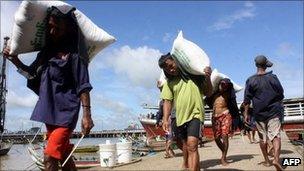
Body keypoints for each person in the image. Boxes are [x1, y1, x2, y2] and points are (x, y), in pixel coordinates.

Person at [3, 6, 94, 170]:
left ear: (67, 27)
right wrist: (14, 59)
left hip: (66, 114)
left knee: (49, 157)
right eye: (50, 27)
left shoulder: (75, 54)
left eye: (57, 28)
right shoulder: (46, 52)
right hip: (49, 111)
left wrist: (87, 115)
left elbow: (83, 85)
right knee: (64, 153)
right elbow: (32, 74)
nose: (52, 31)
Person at [159, 53, 212, 171]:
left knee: (192, 145)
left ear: (177, 60)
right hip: (180, 117)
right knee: (186, 146)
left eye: (171, 65)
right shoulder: (170, 82)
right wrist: (165, 119)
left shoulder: (195, 75)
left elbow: (208, 92)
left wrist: (208, 77)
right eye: (166, 69)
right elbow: (167, 101)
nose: (170, 69)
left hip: (196, 114)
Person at [243, 55, 284, 171]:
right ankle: (276, 159)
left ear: (256, 65)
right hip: (273, 112)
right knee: (276, 136)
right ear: (265, 65)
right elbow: (280, 93)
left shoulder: (250, 80)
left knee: (262, 139)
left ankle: (267, 161)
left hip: (259, 114)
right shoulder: (273, 77)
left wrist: (246, 115)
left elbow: (247, 100)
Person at [205, 78, 240, 166]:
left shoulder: (228, 94)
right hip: (215, 117)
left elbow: (233, 105)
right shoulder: (214, 94)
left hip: (225, 116)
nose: (224, 87)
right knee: (216, 138)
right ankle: (224, 152)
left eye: (226, 85)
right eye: (223, 84)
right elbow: (207, 99)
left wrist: (229, 111)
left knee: (224, 136)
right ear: (219, 84)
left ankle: (223, 157)